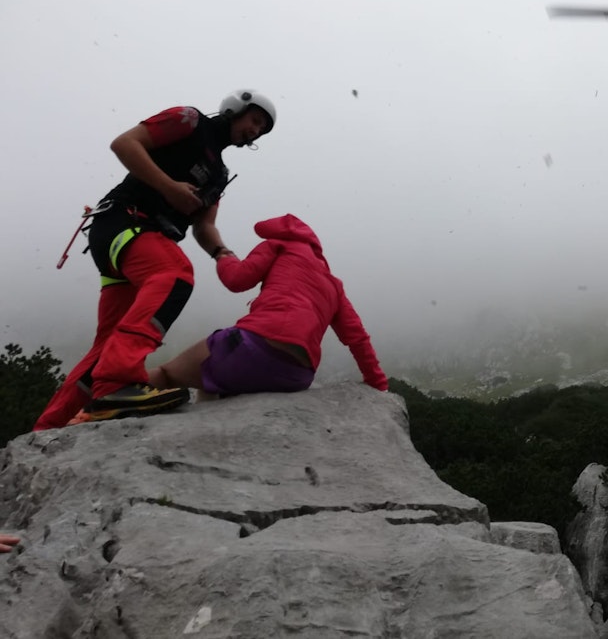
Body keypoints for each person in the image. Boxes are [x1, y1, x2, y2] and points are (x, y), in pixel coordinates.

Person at [34, 90, 277, 430]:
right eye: (254, 120)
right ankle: (117, 382)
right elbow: (124, 143)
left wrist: (223, 253)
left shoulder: (218, 175)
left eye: (261, 130)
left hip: (135, 244)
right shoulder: (188, 120)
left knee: (106, 345)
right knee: (175, 273)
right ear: (236, 108)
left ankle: (48, 429)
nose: (255, 131)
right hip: (124, 221)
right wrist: (168, 186)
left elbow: (204, 226)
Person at [144, 213, 388, 398]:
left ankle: (112, 394)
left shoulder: (279, 245)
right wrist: (379, 387)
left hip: (254, 348)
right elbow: (358, 339)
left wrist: (222, 254)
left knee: (166, 374)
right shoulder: (334, 284)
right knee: (211, 384)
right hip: (297, 376)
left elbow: (236, 280)